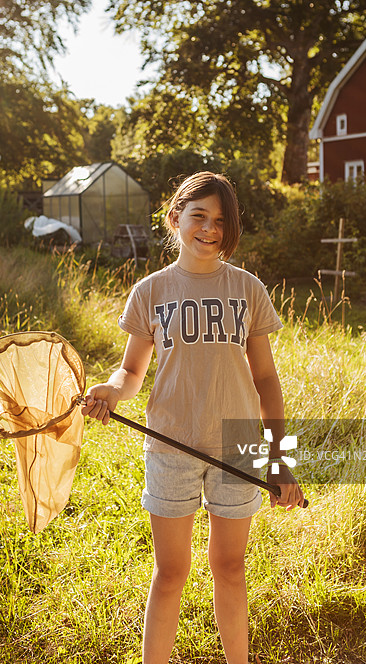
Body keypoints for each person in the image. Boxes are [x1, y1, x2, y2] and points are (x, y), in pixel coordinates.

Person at [82, 171, 304, 664]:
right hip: (170, 444)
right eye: (198, 215)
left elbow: (266, 380)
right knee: (171, 573)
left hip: (238, 444)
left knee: (230, 567)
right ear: (174, 218)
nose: (209, 229)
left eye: (221, 221)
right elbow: (130, 371)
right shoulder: (151, 291)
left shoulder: (247, 290)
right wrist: (112, 393)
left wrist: (278, 459)